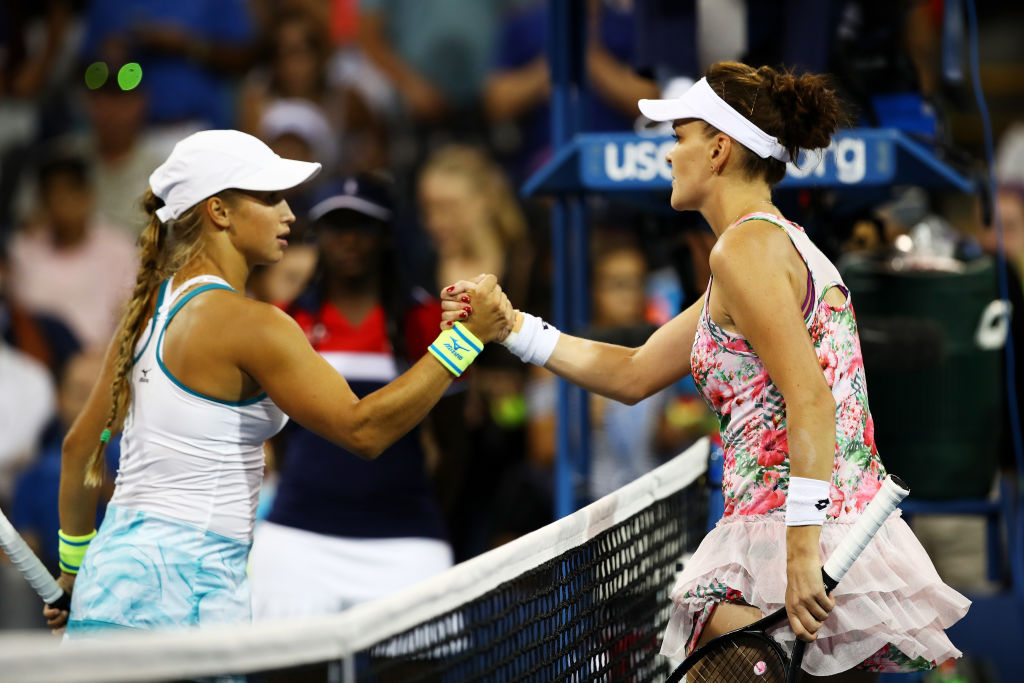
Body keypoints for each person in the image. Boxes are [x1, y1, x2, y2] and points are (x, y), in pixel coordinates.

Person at [445, 62, 969, 679]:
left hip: (792, 539)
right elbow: (635, 372)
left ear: (718, 149)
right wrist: (513, 328)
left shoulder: (743, 250)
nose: (668, 155)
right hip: (833, 534)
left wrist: (801, 551)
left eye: (678, 138)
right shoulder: (765, 249)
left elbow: (812, 399)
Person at [43, 129, 511, 637]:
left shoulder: (143, 317)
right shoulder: (256, 325)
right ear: (219, 212)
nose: (289, 213)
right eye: (269, 199)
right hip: (189, 599)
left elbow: (77, 450)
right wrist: (465, 341)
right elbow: (364, 431)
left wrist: (72, 572)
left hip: (106, 584)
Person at [249, 174, 457, 621]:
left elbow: (455, 435)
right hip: (299, 534)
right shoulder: (287, 322)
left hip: (406, 537)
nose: (348, 239)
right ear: (317, 235)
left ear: (385, 235)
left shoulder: (425, 322)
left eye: (361, 225)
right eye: (336, 225)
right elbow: (279, 432)